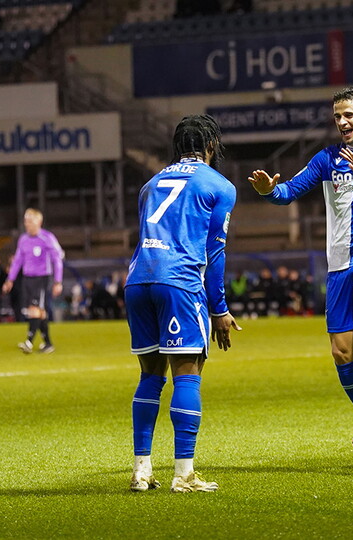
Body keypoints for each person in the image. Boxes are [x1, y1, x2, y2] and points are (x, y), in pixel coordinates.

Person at [248, 86, 353, 467]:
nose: (342, 122)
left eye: (348, 115)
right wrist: (268, 191)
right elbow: (289, 192)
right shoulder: (327, 159)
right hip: (340, 266)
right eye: (337, 117)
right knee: (342, 353)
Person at [125, 114, 240, 493]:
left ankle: (142, 471)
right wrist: (219, 308)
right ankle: (184, 474)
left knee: (150, 376)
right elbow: (215, 252)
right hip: (180, 281)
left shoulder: (150, 184)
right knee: (187, 374)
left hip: (138, 280)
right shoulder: (219, 185)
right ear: (210, 146)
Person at [2, 209, 64, 353]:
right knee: (39, 312)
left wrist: (58, 281)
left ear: (39, 222)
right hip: (27, 279)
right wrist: (10, 279)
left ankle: (29, 342)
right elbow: (17, 261)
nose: (27, 224)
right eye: (25, 220)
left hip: (42, 279)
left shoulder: (47, 238)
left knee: (34, 310)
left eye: (30, 221)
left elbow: (57, 259)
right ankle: (48, 344)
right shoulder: (23, 239)